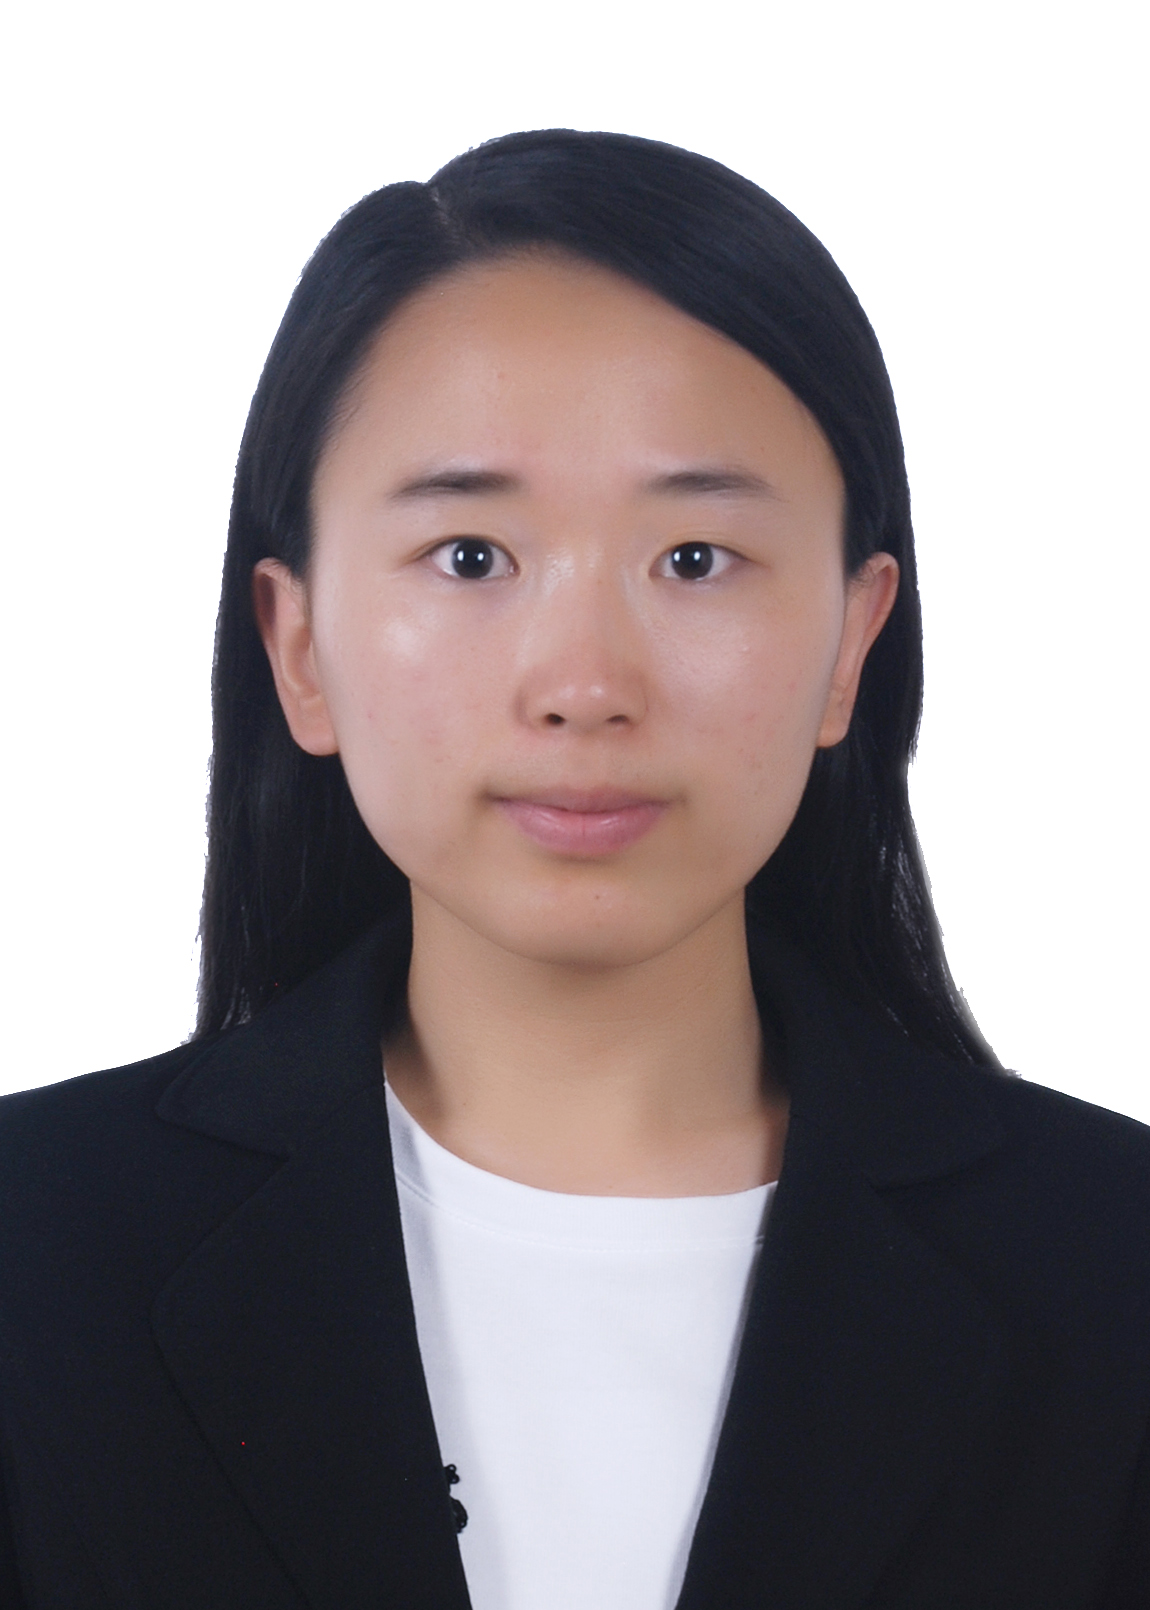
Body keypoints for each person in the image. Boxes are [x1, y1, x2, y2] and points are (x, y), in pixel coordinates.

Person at [0, 129, 1146, 1610]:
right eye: (471, 555)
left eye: (694, 559)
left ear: (850, 644)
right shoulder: (36, 1248)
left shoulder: (1112, 1265)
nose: (585, 684)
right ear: (299, 647)